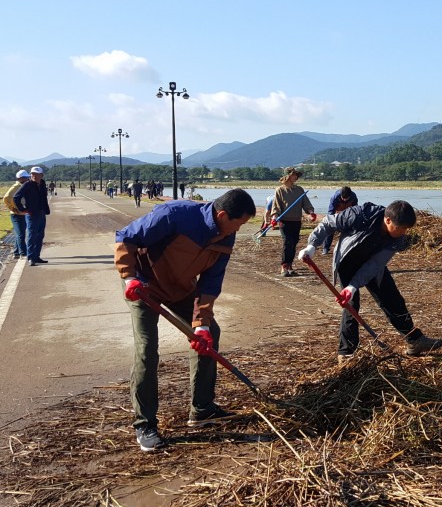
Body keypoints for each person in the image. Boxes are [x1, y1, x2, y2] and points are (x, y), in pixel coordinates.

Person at [115, 188, 256, 452]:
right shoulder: (176, 215)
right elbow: (126, 238)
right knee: (147, 350)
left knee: (209, 335)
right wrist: (129, 276)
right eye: (237, 224)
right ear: (223, 215)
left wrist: (200, 324)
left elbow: (211, 283)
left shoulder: (227, 236)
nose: (236, 231)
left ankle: (201, 409)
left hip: (180, 288)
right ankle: (145, 424)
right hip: (143, 287)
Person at [299, 200, 442, 362]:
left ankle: (414, 340)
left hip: (372, 263)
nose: (404, 232)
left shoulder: (398, 238)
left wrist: (354, 285)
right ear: (388, 220)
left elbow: (375, 264)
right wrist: (311, 246)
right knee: (351, 306)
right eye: (401, 228)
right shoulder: (359, 215)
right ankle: (346, 352)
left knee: (393, 299)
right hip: (347, 261)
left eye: (406, 229)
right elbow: (328, 222)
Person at [270, 167, 316, 277]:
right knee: (287, 241)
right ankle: (284, 266)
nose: (296, 177)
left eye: (297, 175)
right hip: (284, 221)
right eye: (294, 175)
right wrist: (274, 218)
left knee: (294, 242)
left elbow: (306, 203)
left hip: (296, 220)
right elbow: (276, 206)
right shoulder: (279, 190)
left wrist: (311, 212)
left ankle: (290, 265)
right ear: (288, 176)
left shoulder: (299, 190)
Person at [13, 166, 51, 266]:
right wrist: (23, 209)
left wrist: (45, 210)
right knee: (31, 235)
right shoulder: (27, 185)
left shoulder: (42, 184)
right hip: (31, 214)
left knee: (40, 235)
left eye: (36, 174)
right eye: (32, 174)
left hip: (41, 213)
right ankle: (30, 257)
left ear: (41, 175)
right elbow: (16, 197)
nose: (34, 176)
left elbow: (43, 198)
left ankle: (36, 256)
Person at [321, 186, 359, 255]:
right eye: (343, 198)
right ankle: (325, 248)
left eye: (346, 198)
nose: (344, 200)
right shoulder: (335, 197)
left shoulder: (353, 196)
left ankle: (349, 247)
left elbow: (356, 209)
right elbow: (331, 211)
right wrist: (332, 220)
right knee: (330, 229)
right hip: (336, 214)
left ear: (350, 196)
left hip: (348, 214)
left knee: (351, 230)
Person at [3, 170, 30, 260]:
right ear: (21, 178)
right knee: (21, 234)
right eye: (26, 177)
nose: (28, 179)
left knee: (20, 233)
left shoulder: (22, 186)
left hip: (22, 213)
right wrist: (12, 208)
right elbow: (6, 198)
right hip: (16, 214)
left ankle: (16, 252)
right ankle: (23, 252)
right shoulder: (16, 187)